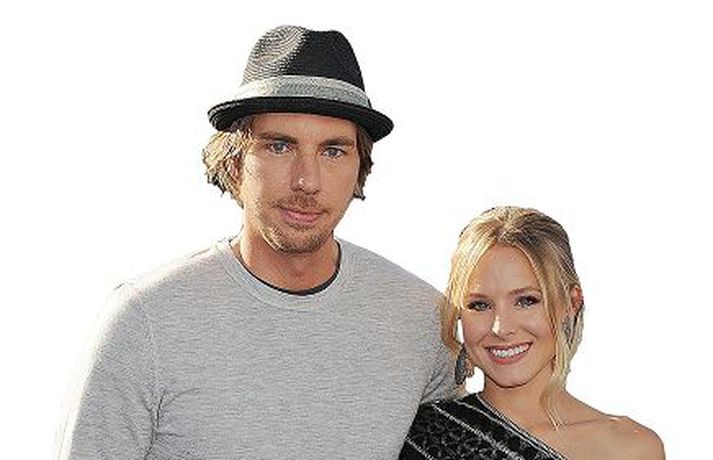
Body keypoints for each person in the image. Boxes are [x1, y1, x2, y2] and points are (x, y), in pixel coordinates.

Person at [57, 25, 459, 459]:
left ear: (360, 168)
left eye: (333, 151)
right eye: (279, 147)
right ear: (234, 163)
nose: (307, 181)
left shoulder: (423, 322)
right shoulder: (146, 322)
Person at [400, 206, 664, 459]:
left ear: (571, 303)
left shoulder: (633, 449)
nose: (501, 328)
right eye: (479, 305)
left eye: (526, 301)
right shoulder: (418, 437)